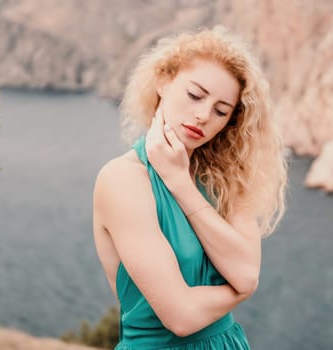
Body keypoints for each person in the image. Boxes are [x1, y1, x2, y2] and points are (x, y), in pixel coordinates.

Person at [92, 26, 287, 350]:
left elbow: (246, 273)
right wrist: (240, 290)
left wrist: (181, 184)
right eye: (195, 95)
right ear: (164, 82)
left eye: (221, 110)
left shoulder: (228, 179)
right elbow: (180, 316)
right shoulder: (122, 180)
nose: (202, 115)